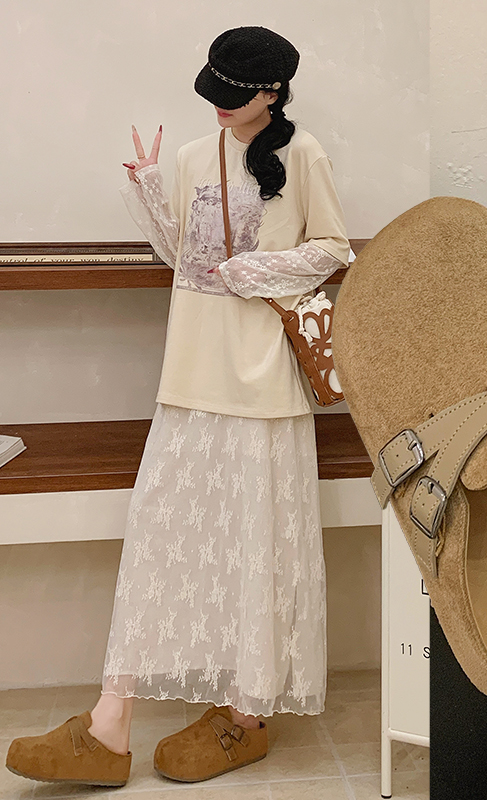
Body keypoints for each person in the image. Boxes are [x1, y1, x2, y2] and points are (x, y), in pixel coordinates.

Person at [6, 25, 349, 787]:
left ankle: (245, 715)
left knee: (256, 549)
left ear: (272, 93)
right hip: (190, 373)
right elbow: (182, 258)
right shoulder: (197, 155)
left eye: (235, 95)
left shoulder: (304, 155)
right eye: (214, 92)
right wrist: (148, 187)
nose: (219, 106)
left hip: (262, 384)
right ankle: (109, 723)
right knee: (160, 543)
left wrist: (253, 270)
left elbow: (332, 248)